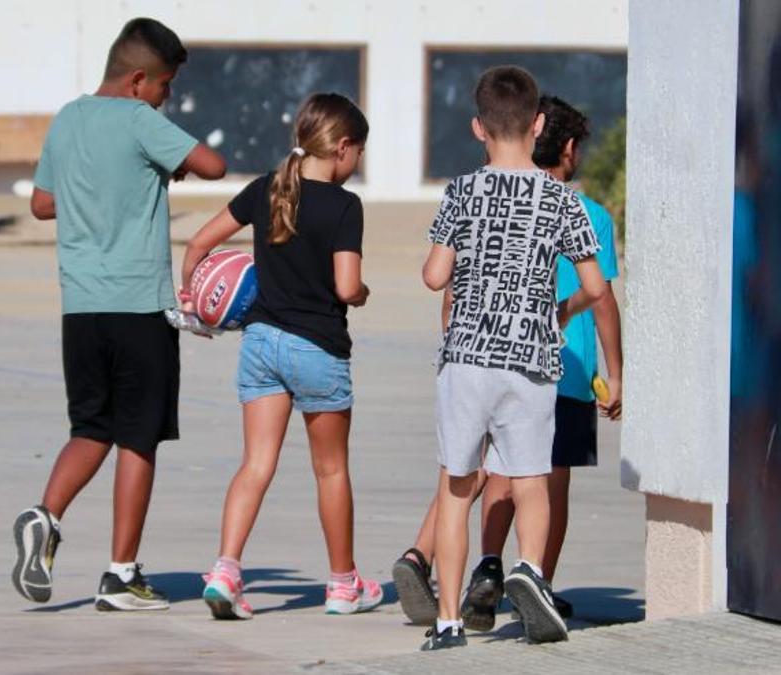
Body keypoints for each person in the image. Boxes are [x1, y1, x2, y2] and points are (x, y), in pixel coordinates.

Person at [11, 17, 226, 612]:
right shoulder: (140, 120)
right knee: (138, 439)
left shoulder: (68, 118)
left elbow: (41, 203)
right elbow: (213, 164)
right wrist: (164, 157)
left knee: (89, 429)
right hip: (139, 307)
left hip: (81, 308)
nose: (167, 99)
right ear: (138, 81)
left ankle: (44, 515)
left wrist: (102, 187)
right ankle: (121, 574)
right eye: (165, 87)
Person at [392, 95, 624, 635]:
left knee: (459, 485)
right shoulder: (565, 203)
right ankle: (531, 571)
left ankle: (448, 621)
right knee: (532, 480)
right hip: (533, 361)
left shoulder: (460, 191)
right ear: (539, 126)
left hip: (468, 359)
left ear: (478, 128)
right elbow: (596, 288)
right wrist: (557, 313)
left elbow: (434, 277)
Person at [179, 93, 381, 621]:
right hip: (318, 349)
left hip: (261, 345)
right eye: (359, 151)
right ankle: (342, 585)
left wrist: (196, 304)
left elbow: (199, 244)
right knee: (331, 470)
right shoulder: (344, 206)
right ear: (342, 147)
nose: (358, 162)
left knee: (256, 464)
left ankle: (225, 571)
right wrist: (361, 294)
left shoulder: (266, 187)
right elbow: (344, 285)